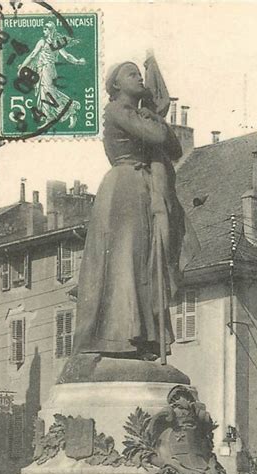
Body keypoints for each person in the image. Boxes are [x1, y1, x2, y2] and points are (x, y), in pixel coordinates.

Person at [73, 60, 199, 360]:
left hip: (144, 189)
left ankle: (144, 337)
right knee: (125, 262)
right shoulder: (116, 110)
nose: (139, 78)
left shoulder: (141, 114)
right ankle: (119, 338)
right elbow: (157, 137)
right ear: (116, 85)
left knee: (145, 263)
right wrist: (153, 114)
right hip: (124, 189)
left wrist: (152, 114)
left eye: (140, 74)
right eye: (132, 74)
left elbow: (175, 149)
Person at [18, 22, 86, 128]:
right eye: (43, 29)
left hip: (47, 69)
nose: (43, 31)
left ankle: (68, 111)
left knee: (49, 94)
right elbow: (66, 56)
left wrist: (23, 66)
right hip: (43, 69)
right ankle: (60, 114)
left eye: (45, 29)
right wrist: (76, 61)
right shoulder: (53, 42)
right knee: (47, 93)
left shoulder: (46, 42)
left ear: (51, 30)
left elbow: (33, 55)